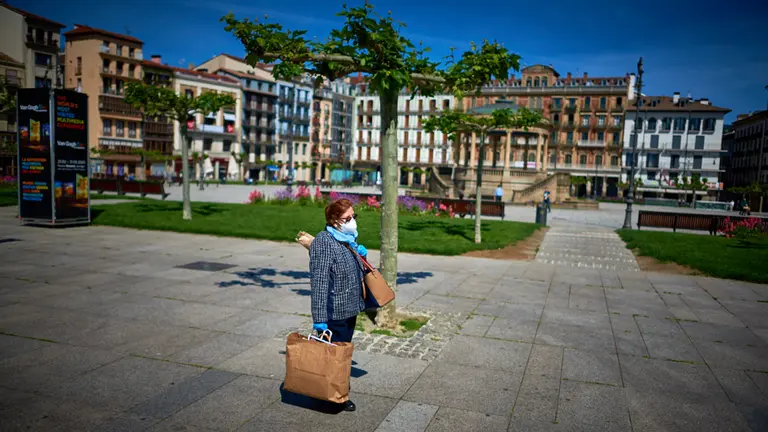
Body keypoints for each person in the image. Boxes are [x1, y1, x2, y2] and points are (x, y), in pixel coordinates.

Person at [309, 198, 367, 412]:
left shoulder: (345, 239)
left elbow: (348, 272)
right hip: (335, 312)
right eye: (347, 218)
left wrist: (360, 256)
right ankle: (334, 397)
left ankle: (334, 393)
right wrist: (320, 319)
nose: (352, 221)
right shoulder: (324, 242)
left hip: (350, 308)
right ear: (334, 220)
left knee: (340, 357)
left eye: (354, 217)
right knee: (334, 358)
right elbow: (320, 281)